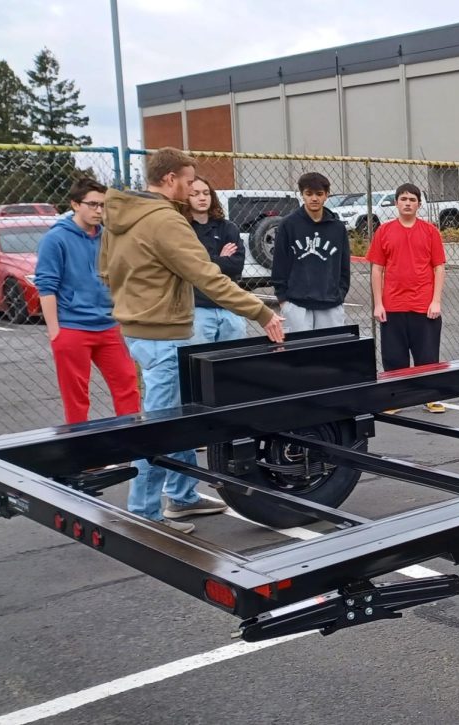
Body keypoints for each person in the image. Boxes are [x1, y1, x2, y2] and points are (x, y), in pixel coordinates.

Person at [100, 147, 285, 534]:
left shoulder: (121, 215)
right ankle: (145, 513)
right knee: (162, 426)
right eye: (187, 180)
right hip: (164, 334)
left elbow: (105, 270)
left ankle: (182, 497)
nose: (191, 187)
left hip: (138, 330)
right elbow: (210, 278)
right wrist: (262, 312)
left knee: (181, 415)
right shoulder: (165, 221)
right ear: (169, 179)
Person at [34, 178, 140, 424]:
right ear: (75, 204)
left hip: (109, 325)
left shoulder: (108, 237)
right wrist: (55, 332)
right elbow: (46, 286)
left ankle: (132, 445)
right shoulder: (56, 239)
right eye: (92, 205)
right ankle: (83, 456)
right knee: (76, 396)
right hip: (72, 328)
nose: (98, 211)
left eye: (103, 206)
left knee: (127, 385)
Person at [366, 183, 447, 414]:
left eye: (412, 199)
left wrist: (436, 301)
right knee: (394, 357)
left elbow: (439, 268)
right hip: (393, 306)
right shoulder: (384, 231)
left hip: (423, 306)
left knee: (428, 356)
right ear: (396, 203)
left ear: (419, 204)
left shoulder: (430, 231)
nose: (408, 203)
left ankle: (430, 396)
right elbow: (377, 270)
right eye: (403, 199)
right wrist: (379, 304)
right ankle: (394, 398)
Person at [271, 171, 351, 333]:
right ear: (301, 194)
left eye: (319, 194)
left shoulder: (337, 228)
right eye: (309, 194)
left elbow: (344, 265)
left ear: (327, 195)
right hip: (296, 304)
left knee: (330, 354)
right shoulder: (288, 225)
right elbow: (279, 264)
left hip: (330, 303)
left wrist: (340, 294)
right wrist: (283, 300)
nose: (314, 198)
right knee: (300, 355)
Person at [188, 175, 247, 342]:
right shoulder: (184, 229)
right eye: (196, 193)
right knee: (200, 361)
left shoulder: (227, 227)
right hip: (198, 307)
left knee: (233, 359)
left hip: (229, 305)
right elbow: (190, 268)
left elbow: (236, 265)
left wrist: (208, 262)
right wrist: (220, 259)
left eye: (206, 193)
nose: (202, 198)